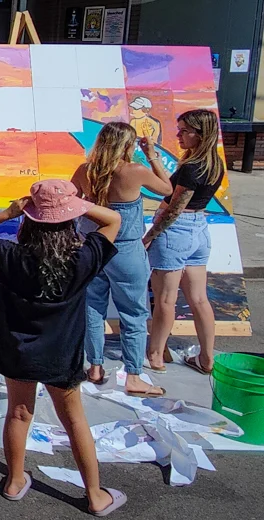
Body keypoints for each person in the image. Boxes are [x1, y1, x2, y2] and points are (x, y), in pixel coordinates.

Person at [0, 179, 126, 517]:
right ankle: (95, 496)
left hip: (17, 350)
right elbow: (113, 219)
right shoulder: (83, 257)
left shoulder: (10, 255)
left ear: (29, 218)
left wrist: (11, 210)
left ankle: (14, 481)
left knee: (19, 412)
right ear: (72, 219)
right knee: (74, 420)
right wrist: (76, 204)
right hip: (62, 352)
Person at [69, 121, 172, 396]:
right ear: (127, 144)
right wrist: (152, 155)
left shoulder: (84, 170)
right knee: (134, 313)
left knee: (92, 308)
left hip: (93, 246)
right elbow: (167, 189)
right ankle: (134, 375)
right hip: (126, 248)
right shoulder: (134, 171)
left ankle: (95, 366)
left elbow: (70, 200)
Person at [143, 109, 225, 375]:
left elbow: (174, 207)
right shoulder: (213, 163)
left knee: (166, 299)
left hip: (176, 231)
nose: (178, 135)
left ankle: (156, 354)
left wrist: (150, 235)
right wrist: (152, 156)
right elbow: (169, 187)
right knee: (199, 299)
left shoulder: (193, 167)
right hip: (199, 229)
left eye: (184, 131)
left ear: (200, 134)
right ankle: (206, 357)